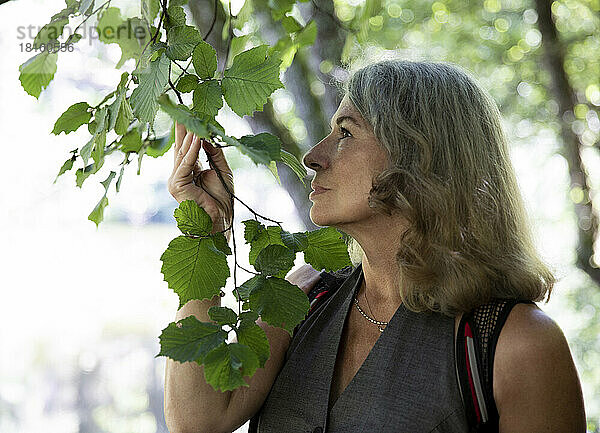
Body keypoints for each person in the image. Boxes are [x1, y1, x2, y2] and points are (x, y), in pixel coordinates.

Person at [164, 58, 587, 432]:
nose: (313, 156)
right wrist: (206, 229)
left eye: (345, 132)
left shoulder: (516, 344)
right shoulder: (303, 299)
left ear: (419, 155)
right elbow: (197, 419)